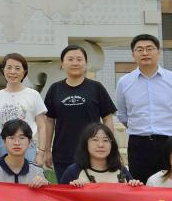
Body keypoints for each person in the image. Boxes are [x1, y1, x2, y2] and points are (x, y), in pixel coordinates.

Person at [114, 34, 172, 183]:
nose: (145, 53)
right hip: (139, 144)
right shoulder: (124, 82)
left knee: (170, 184)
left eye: (149, 49)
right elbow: (122, 114)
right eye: (140, 49)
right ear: (133, 54)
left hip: (170, 142)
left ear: (158, 52)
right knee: (139, 185)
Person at [41, 45, 116, 180]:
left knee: (91, 191)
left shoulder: (96, 87)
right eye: (70, 59)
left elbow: (107, 118)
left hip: (93, 154)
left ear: (86, 63)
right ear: (62, 64)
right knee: (65, 191)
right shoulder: (55, 89)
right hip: (63, 153)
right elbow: (49, 121)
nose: (75, 63)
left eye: (79, 59)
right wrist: (46, 150)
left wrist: (110, 146)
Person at [0, 53, 48, 164]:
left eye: (17, 68)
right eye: (9, 67)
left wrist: (41, 153)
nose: (13, 72)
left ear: (24, 72)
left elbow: (42, 127)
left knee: (28, 175)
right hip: (2, 145)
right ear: (3, 70)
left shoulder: (33, 95)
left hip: (27, 145)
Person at [0, 120, 50, 187]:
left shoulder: (37, 170)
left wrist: (46, 184)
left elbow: (48, 192)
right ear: (4, 142)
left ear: (29, 142)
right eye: (12, 138)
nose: (17, 143)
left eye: (22, 138)